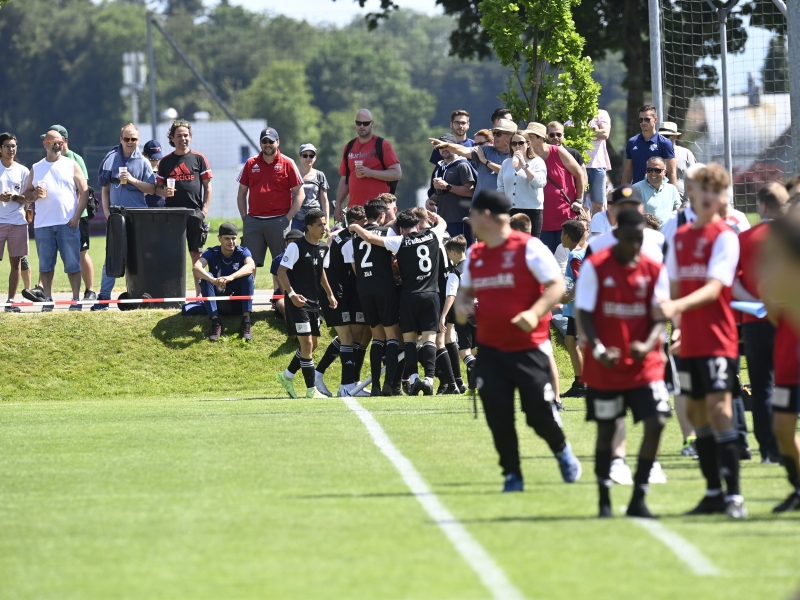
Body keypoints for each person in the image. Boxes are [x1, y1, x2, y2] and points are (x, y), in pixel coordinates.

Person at [455, 189, 582, 493]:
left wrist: (535, 311)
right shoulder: (476, 253)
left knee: (537, 413)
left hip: (528, 348)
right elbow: (466, 292)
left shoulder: (529, 247)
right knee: (498, 415)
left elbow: (555, 287)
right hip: (491, 349)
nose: (469, 220)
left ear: (486, 216)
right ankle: (512, 474)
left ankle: (562, 451)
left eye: (472, 214)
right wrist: (461, 305)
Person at [655, 163, 746, 519]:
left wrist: (674, 306)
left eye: (716, 191)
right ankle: (712, 493)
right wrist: (676, 326)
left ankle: (735, 496)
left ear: (721, 197)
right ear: (691, 194)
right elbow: (674, 286)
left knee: (721, 409)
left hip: (718, 337)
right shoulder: (679, 237)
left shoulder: (725, 236)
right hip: (689, 338)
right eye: (703, 189)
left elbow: (713, 288)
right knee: (694, 414)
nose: (709, 196)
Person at [576, 208, 671, 518]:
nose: (635, 246)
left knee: (657, 420)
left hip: (644, 363)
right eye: (629, 239)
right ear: (616, 236)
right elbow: (586, 313)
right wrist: (599, 347)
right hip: (605, 364)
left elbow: (659, 316)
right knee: (606, 430)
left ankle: (638, 497)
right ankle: (604, 498)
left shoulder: (654, 269)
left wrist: (649, 342)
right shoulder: (596, 267)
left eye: (639, 240)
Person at [350, 209, 450, 396]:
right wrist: (434, 215)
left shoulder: (399, 241)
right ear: (418, 225)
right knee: (429, 338)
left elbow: (370, 238)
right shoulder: (433, 235)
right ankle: (428, 379)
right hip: (431, 294)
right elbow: (443, 224)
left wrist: (355, 226)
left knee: (409, 339)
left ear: (401, 229)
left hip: (409, 296)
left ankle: (413, 379)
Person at [733, 182, 789, 462]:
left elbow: (731, 282)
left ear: (763, 206)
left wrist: (758, 304)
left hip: (755, 320)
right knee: (789, 383)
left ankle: (769, 450)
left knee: (763, 385)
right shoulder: (792, 237)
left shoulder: (745, 237)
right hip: (790, 321)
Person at [92, 124, 157, 311]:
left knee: (141, 258)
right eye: (127, 139)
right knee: (113, 258)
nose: (130, 142)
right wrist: (106, 213)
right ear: (120, 139)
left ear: (138, 140)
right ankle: (103, 298)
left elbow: (151, 189)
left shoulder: (143, 162)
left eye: (134, 139)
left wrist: (132, 180)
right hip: (116, 217)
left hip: (138, 217)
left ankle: (143, 296)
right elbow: (104, 190)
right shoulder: (110, 159)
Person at [22, 130, 88, 311]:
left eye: (60, 142)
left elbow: (84, 191)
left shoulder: (71, 164)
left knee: (73, 265)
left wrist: (76, 217)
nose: (57, 145)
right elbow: (26, 194)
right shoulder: (36, 167)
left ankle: (75, 300)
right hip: (43, 224)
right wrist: (34, 194)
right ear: (45, 143)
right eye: (53, 142)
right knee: (45, 266)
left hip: (67, 223)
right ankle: (48, 300)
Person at [343, 198, 402, 396]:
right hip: (385, 288)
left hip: (364, 290)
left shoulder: (354, 238)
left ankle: (375, 385)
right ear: (383, 216)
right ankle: (389, 385)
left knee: (377, 338)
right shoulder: (388, 231)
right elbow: (397, 258)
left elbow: (355, 268)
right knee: (393, 336)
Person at [276, 209, 337, 399]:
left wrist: (330, 294)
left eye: (325, 224)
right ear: (308, 227)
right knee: (307, 343)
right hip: (297, 303)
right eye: (319, 224)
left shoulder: (323, 248)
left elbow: (321, 273)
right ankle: (311, 390)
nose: (323, 228)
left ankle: (286, 376)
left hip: (314, 303)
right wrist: (292, 294)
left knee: (313, 344)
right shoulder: (296, 247)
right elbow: (281, 272)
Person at [316, 205, 369, 397]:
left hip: (345, 293)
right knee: (347, 338)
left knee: (353, 337)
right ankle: (346, 386)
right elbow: (358, 273)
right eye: (364, 224)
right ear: (355, 224)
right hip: (335, 294)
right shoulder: (348, 241)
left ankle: (348, 382)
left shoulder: (345, 237)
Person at [155, 120, 212, 295]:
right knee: (173, 257)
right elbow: (157, 188)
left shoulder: (199, 158)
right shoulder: (165, 162)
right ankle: (173, 294)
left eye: (186, 135)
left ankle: (200, 294)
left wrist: (204, 211)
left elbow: (208, 187)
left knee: (196, 255)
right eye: (179, 136)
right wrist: (164, 192)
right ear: (172, 138)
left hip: (195, 214)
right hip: (173, 215)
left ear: (191, 137)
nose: (183, 139)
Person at [237, 127, 303, 274]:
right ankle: (248, 296)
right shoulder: (250, 163)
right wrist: (245, 218)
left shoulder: (288, 163)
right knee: (248, 263)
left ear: (277, 142)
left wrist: (288, 218)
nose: (267, 144)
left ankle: (278, 296)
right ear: (260, 143)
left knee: (280, 262)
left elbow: (300, 194)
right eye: (264, 141)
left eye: (271, 141)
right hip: (253, 221)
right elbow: (241, 193)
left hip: (279, 220)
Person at [334, 109, 402, 222]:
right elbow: (344, 179)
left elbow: (397, 173)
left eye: (365, 123)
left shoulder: (382, 144)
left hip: (378, 210)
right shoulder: (349, 147)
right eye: (358, 123)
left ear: (372, 124)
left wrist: (370, 173)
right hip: (355, 211)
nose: (361, 126)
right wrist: (338, 205)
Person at [526, 122, 584, 253]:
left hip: (565, 215)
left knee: (568, 258)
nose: (527, 140)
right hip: (541, 218)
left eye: (531, 136)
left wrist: (579, 200)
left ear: (541, 138)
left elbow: (580, 174)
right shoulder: (527, 157)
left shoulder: (557, 151)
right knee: (546, 262)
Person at [192, 222, 256, 342]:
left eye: (233, 238)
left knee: (248, 277)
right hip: (218, 301)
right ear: (219, 239)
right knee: (207, 278)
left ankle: (246, 320)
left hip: (238, 302)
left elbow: (251, 266)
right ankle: (216, 322)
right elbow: (196, 268)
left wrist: (231, 277)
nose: (231, 242)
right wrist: (213, 280)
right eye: (227, 238)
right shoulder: (212, 252)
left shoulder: (243, 251)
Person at [430, 118, 516, 201]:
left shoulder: (516, 155)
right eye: (494, 133)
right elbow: (463, 150)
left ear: (510, 137)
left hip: (502, 208)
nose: (495, 137)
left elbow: (506, 171)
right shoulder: (484, 150)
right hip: (480, 207)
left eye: (498, 134)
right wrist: (446, 145)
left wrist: (485, 161)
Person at [426, 133, 476, 241]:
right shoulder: (439, 168)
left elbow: (469, 191)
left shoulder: (462, 165)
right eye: (440, 147)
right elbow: (438, 192)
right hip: (442, 221)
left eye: (446, 146)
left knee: (464, 256)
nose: (443, 149)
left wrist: (448, 186)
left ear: (454, 146)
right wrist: (430, 200)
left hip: (461, 220)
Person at [497, 130, 547, 238]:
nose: (517, 146)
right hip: (510, 211)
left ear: (528, 144)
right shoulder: (506, 163)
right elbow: (501, 187)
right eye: (514, 144)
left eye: (520, 143)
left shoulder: (537, 162)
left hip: (531, 211)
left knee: (530, 246)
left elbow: (540, 183)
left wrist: (524, 165)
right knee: (511, 246)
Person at [0, 132, 30, 312]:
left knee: (16, 264)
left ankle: (11, 301)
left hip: (18, 221)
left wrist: (15, 197)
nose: (11, 150)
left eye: (13, 146)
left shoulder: (23, 171)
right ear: (0, 149)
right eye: (7, 146)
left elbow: (28, 197)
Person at [560, 219, 587, 399]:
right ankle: (580, 383)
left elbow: (580, 279)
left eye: (562, 234)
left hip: (579, 307)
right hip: (575, 308)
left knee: (582, 344)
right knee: (571, 341)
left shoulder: (574, 256)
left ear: (567, 236)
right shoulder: (579, 253)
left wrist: (567, 296)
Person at [622, 105, 677, 186]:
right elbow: (628, 171)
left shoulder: (665, 143)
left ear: (655, 119)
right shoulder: (632, 142)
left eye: (647, 119)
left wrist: (672, 195)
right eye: (641, 120)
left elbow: (672, 172)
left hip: (658, 193)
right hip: (638, 192)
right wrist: (623, 194)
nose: (643, 122)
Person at [441, 235, 469, 394]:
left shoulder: (455, 272)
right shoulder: (475, 267)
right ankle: (467, 383)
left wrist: (443, 315)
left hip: (464, 314)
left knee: (464, 351)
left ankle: (458, 381)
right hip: (480, 312)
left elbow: (451, 295)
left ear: (451, 252)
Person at [270, 229, 305, 329]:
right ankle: (294, 333)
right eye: (291, 243)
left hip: (305, 294)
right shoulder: (278, 260)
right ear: (286, 244)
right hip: (284, 295)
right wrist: (293, 297)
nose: (294, 246)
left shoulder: (308, 258)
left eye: (297, 242)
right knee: (287, 308)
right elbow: (281, 289)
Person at [547, 121, 587, 206]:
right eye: (552, 135)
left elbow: (584, 177)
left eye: (558, 134)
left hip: (572, 201)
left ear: (563, 135)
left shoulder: (574, 153)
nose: (555, 137)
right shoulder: (543, 154)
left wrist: (579, 200)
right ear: (547, 136)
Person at [633, 157, 681, 226]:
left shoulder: (672, 189)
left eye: (657, 170)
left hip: (668, 233)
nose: (653, 173)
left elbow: (677, 210)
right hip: (646, 233)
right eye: (650, 170)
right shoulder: (636, 188)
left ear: (665, 172)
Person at [658, 122, 696, 204]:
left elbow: (695, 177)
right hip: (660, 200)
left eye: (666, 136)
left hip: (683, 201)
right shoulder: (655, 154)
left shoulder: (686, 153)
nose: (663, 139)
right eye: (661, 136)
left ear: (675, 136)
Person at [294, 143, 329, 233]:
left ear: (315, 158)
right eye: (305, 155)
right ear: (300, 157)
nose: (308, 158)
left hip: (315, 218)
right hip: (296, 217)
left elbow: (324, 201)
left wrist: (327, 222)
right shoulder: (293, 174)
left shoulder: (319, 175)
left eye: (311, 155)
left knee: (313, 245)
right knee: (294, 244)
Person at [586, 109, 612, 214]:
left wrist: (581, 131)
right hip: (578, 164)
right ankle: (584, 229)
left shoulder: (602, 113)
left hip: (597, 163)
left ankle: (597, 229)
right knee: (582, 204)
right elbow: (568, 130)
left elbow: (605, 134)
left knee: (599, 204)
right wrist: (594, 130)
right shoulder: (573, 112)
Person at [142, 140, 164, 208]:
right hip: (145, 210)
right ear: (144, 156)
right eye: (152, 159)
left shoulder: (162, 170)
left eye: (158, 159)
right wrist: (152, 187)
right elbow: (135, 195)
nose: (155, 162)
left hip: (163, 210)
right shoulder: (139, 171)